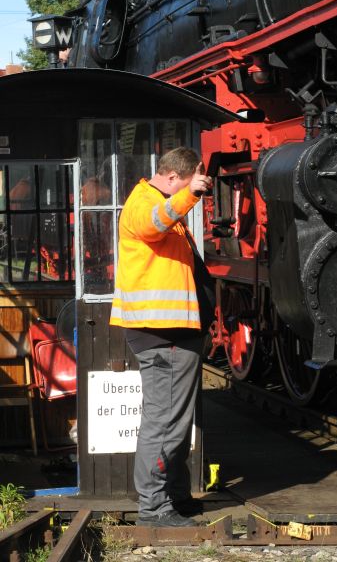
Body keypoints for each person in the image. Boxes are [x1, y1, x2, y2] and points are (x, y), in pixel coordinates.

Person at [110, 147, 214, 527]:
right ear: (172, 178)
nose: (188, 195)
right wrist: (190, 196)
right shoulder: (144, 202)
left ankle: (173, 497)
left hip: (171, 331)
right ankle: (154, 509)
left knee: (175, 421)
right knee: (165, 422)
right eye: (186, 185)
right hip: (161, 332)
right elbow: (154, 224)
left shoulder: (155, 198)